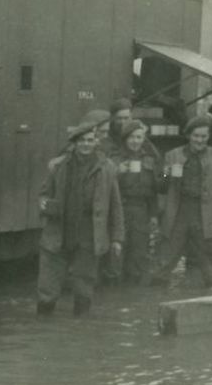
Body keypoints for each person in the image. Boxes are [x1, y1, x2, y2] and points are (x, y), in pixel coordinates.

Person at [36, 119, 125, 317]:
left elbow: (116, 205)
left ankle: (80, 327)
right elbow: (43, 194)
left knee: (84, 285)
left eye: (90, 140)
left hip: (89, 233)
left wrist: (117, 238)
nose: (86, 144)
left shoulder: (107, 168)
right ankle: (43, 324)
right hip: (59, 231)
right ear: (74, 143)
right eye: (82, 140)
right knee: (47, 286)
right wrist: (47, 205)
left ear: (96, 142)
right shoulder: (58, 166)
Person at [153, 116, 212, 288]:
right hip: (179, 211)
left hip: (206, 215)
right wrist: (166, 173)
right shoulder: (172, 155)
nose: (200, 140)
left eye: (204, 136)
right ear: (189, 135)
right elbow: (161, 187)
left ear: (209, 137)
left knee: (210, 266)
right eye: (196, 136)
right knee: (166, 260)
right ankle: (154, 300)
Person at [110, 119, 161, 286]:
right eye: (132, 137)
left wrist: (153, 214)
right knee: (117, 251)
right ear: (125, 139)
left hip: (141, 209)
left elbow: (156, 187)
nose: (135, 141)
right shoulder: (114, 159)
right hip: (119, 209)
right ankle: (114, 287)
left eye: (139, 137)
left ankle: (134, 290)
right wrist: (117, 172)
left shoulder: (149, 159)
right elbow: (103, 187)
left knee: (139, 252)